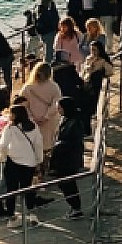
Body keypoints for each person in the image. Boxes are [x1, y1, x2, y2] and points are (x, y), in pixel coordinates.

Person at [0, 102, 43, 225]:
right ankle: (31, 214)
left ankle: (12, 217)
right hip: (30, 162)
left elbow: (3, 145)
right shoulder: (33, 126)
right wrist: (39, 160)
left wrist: (2, 157)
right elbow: (38, 144)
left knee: (11, 191)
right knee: (27, 188)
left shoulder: (10, 128)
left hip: (13, 162)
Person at [51, 88, 92, 218]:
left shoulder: (74, 123)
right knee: (66, 183)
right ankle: (74, 207)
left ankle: (76, 208)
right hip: (65, 158)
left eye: (60, 108)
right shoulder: (68, 119)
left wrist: (57, 146)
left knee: (68, 184)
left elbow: (72, 141)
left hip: (69, 159)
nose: (58, 110)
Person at [17, 61, 61, 152]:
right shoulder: (54, 87)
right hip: (49, 121)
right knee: (47, 145)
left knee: (33, 146)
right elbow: (56, 104)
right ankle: (45, 164)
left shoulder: (28, 87)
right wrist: (46, 117)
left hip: (31, 121)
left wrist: (31, 117)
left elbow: (22, 104)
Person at [0, 24, 13, 104]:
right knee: (7, 76)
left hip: (4, 57)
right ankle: (7, 96)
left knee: (3, 75)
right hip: (8, 55)